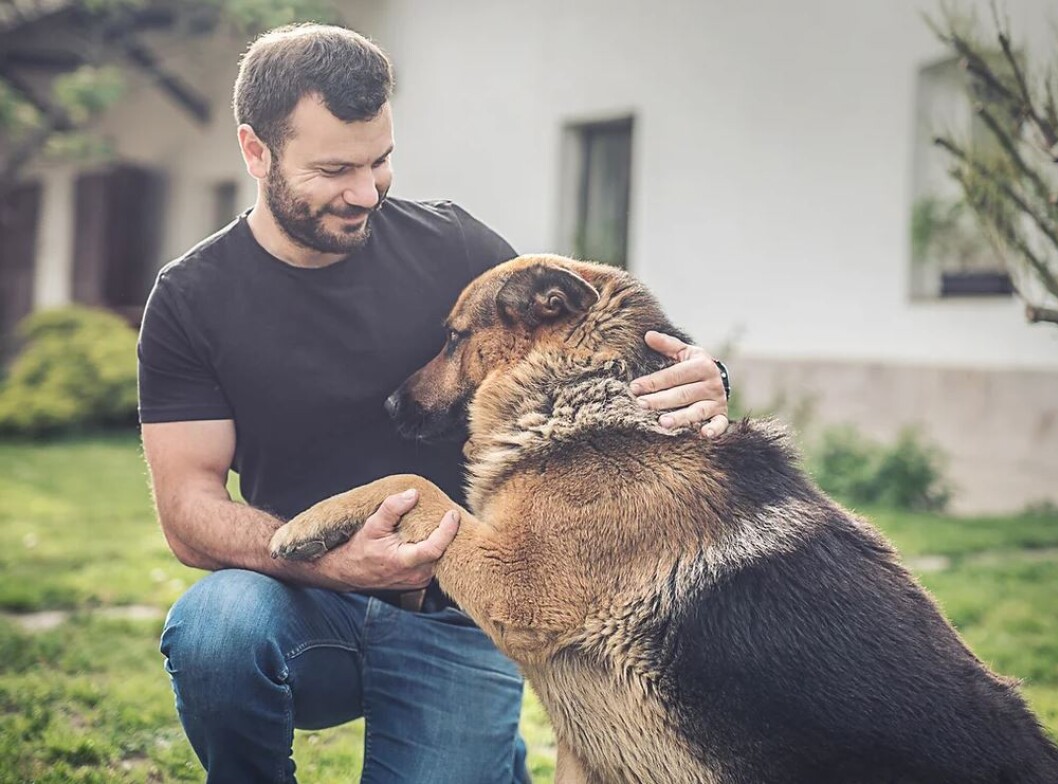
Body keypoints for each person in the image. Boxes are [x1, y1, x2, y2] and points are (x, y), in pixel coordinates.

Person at [138, 23, 731, 784]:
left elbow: (584, 327)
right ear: (257, 153)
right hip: (302, 602)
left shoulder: (452, 243)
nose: (366, 192)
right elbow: (188, 507)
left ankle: (484, 757)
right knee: (215, 627)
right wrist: (336, 566)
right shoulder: (191, 300)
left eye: (380, 161)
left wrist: (707, 375)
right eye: (333, 169)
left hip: (462, 609)